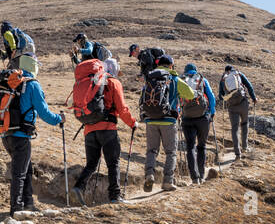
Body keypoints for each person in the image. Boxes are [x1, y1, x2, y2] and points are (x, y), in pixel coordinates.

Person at [0, 54, 65, 213]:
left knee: (25, 169)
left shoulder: (12, 82)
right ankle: (17, 209)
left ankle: (28, 203)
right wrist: (59, 119)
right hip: (21, 136)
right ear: (33, 66)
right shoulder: (32, 84)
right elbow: (44, 113)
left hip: (6, 134)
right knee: (20, 173)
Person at [70, 58, 137, 205]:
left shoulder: (91, 81)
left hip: (89, 129)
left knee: (91, 164)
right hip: (107, 129)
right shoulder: (113, 82)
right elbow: (122, 109)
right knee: (113, 163)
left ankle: (78, 188)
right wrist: (133, 123)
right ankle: (115, 196)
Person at [139, 55, 195, 192]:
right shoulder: (175, 79)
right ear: (171, 65)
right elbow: (191, 94)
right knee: (171, 152)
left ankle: (149, 174)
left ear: (158, 64)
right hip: (169, 121)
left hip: (151, 119)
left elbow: (143, 98)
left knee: (152, 150)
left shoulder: (151, 78)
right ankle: (167, 181)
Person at [179, 63, 216, 184]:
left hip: (187, 117)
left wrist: (179, 113)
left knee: (190, 147)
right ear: (195, 71)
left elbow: (177, 99)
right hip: (202, 117)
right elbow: (211, 96)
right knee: (201, 146)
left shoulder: (181, 80)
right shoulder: (202, 80)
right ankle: (201, 175)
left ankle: (194, 178)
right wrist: (212, 112)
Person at [218, 65, 258, 159]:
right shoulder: (238, 74)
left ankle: (237, 153)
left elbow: (220, 96)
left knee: (234, 128)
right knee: (244, 124)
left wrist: (226, 98)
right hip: (243, 103)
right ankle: (244, 147)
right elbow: (249, 86)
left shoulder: (223, 79)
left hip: (232, 107)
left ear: (226, 71)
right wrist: (254, 98)